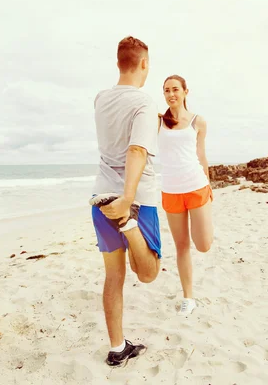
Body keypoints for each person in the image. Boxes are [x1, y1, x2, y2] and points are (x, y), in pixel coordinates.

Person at [89, 36, 162, 367]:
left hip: (100, 199)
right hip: (135, 198)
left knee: (113, 276)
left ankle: (117, 348)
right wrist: (129, 200)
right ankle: (131, 226)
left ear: (119, 63)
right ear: (144, 64)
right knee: (148, 273)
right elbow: (137, 150)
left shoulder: (100, 99)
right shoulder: (144, 104)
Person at [158, 74, 214, 316]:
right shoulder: (158, 122)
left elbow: (201, 155)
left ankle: (207, 225)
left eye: (175, 89)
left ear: (185, 92)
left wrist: (209, 183)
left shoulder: (198, 121)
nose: (171, 94)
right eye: (167, 90)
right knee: (182, 246)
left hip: (196, 186)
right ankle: (188, 298)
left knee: (202, 245)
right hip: (171, 190)